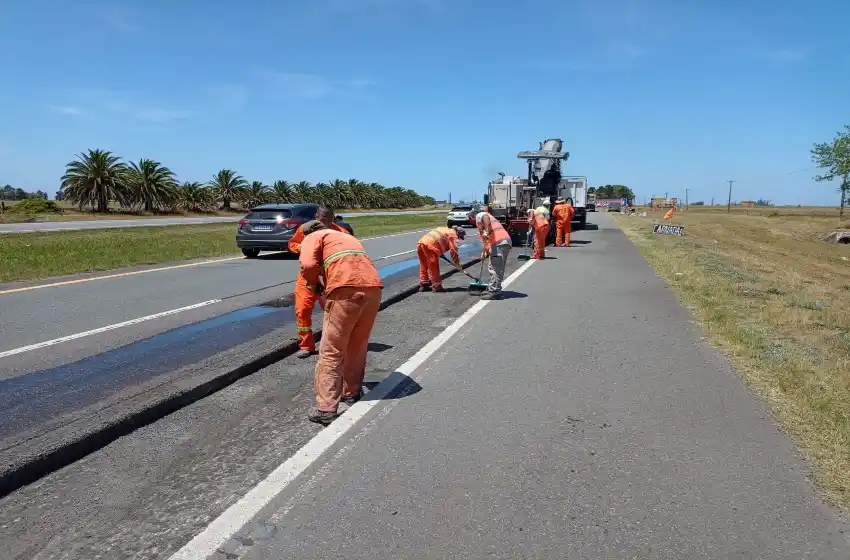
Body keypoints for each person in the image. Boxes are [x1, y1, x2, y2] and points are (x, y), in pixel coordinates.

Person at [298, 220, 383, 425]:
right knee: (358, 344)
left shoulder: (312, 237)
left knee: (331, 350)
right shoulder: (347, 237)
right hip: (373, 289)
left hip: (345, 290)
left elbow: (308, 264)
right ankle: (351, 393)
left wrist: (314, 284)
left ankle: (326, 408)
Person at [288, 206, 351, 358]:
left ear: (333, 220)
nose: (324, 226)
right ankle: (306, 345)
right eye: (321, 221)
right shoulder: (306, 229)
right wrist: (301, 247)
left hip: (330, 277)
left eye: (327, 222)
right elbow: (292, 244)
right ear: (316, 218)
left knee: (335, 312)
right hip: (307, 277)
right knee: (302, 310)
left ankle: (338, 343)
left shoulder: (341, 233)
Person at [475, 210, 511, 300]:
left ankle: (494, 291)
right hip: (501, 242)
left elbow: (485, 216)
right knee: (495, 266)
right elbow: (486, 241)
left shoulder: (480, 216)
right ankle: (493, 289)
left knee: (495, 268)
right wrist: (485, 252)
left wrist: (486, 230)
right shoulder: (482, 228)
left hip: (499, 242)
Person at [417, 226, 466, 292]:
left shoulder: (446, 229)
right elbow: (453, 251)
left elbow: (440, 240)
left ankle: (424, 284)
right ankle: (437, 286)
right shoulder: (453, 235)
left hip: (421, 243)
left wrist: (440, 252)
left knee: (423, 264)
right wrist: (457, 264)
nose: (459, 239)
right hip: (430, 246)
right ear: (458, 233)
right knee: (434, 266)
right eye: (460, 237)